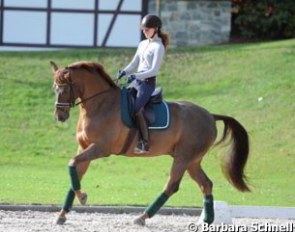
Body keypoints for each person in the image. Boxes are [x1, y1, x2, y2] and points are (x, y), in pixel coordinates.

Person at [117, 14, 169, 154]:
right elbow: (134, 63)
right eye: (143, 30)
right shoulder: (142, 44)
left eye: (147, 29)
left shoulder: (159, 47)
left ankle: (144, 143)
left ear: (156, 29)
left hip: (147, 84)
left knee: (137, 110)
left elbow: (153, 70)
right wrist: (124, 71)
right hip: (136, 82)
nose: (144, 32)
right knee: (122, 102)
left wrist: (135, 75)